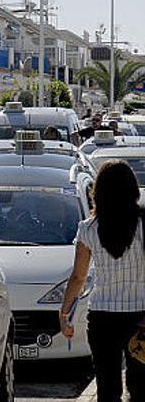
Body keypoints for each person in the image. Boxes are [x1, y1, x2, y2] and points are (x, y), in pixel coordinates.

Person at [60, 160, 145, 402]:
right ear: (132, 189)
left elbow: (79, 277)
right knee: (140, 387)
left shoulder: (87, 228)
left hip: (102, 318)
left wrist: (64, 312)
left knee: (107, 388)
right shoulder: (143, 225)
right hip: (140, 317)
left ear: (98, 191)